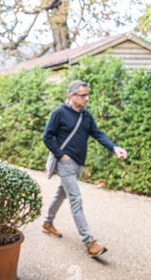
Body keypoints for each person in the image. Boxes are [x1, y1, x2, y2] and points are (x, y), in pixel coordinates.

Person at [42, 80, 127, 257]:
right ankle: (90, 242)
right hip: (65, 163)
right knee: (75, 199)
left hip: (78, 163)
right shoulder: (59, 113)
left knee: (61, 193)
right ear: (71, 95)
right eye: (83, 95)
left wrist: (113, 147)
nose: (87, 98)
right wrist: (60, 154)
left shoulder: (86, 115)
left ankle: (47, 223)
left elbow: (97, 133)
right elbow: (47, 136)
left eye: (88, 95)